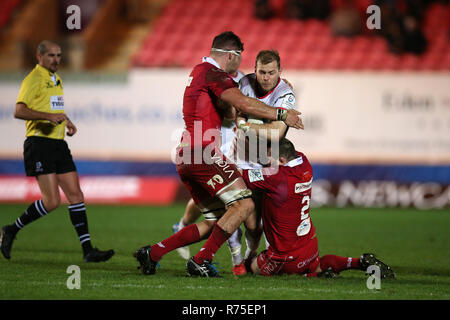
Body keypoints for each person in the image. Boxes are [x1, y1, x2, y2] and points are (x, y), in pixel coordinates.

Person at [134, 31, 303, 277]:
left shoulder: (199, 72)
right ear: (231, 56)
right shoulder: (214, 74)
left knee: (215, 220)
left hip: (187, 154)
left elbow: (229, 113)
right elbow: (243, 105)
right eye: (239, 58)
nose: (239, 65)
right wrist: (281, 114)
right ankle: (202, 260)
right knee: (244, 205)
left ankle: (153, 253)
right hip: (203, 152)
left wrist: (237, 114)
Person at [172, 49, 295, 276]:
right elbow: (231, 110)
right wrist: (238, 116)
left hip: (266, 164)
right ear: (254, 70)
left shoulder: (286, 93)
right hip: (238, 159)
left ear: (280, 71)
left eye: (271, 72)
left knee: (257, 224)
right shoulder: (243, 83)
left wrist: (246, 124)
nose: (266, 77)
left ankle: (253, 256)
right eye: (262, 72)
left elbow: (276, 134)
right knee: (237, 211)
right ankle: (238, 260)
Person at [0, 40, 115, 263]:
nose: (56, 60)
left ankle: (88, 250)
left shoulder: (56, 79)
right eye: (51, 55)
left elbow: (53, 108)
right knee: (51, 201)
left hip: (58, 144)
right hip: (39, 143)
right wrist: (48, 117)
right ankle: (11, 229)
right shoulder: (33, 79)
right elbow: (18, 110)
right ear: (39, 56)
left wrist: (66, 121)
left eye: (59, 56)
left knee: (76, 195)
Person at [241, 138, 395, 279]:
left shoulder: (276, 177)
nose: (267, 164)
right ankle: (357, 262)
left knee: (251, 266)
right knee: (317, 265)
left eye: (270, 161)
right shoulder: (304, 163)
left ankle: (316, 277)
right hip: (309, 246)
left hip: (286, 256)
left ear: (281, 160)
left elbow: (241, 174)